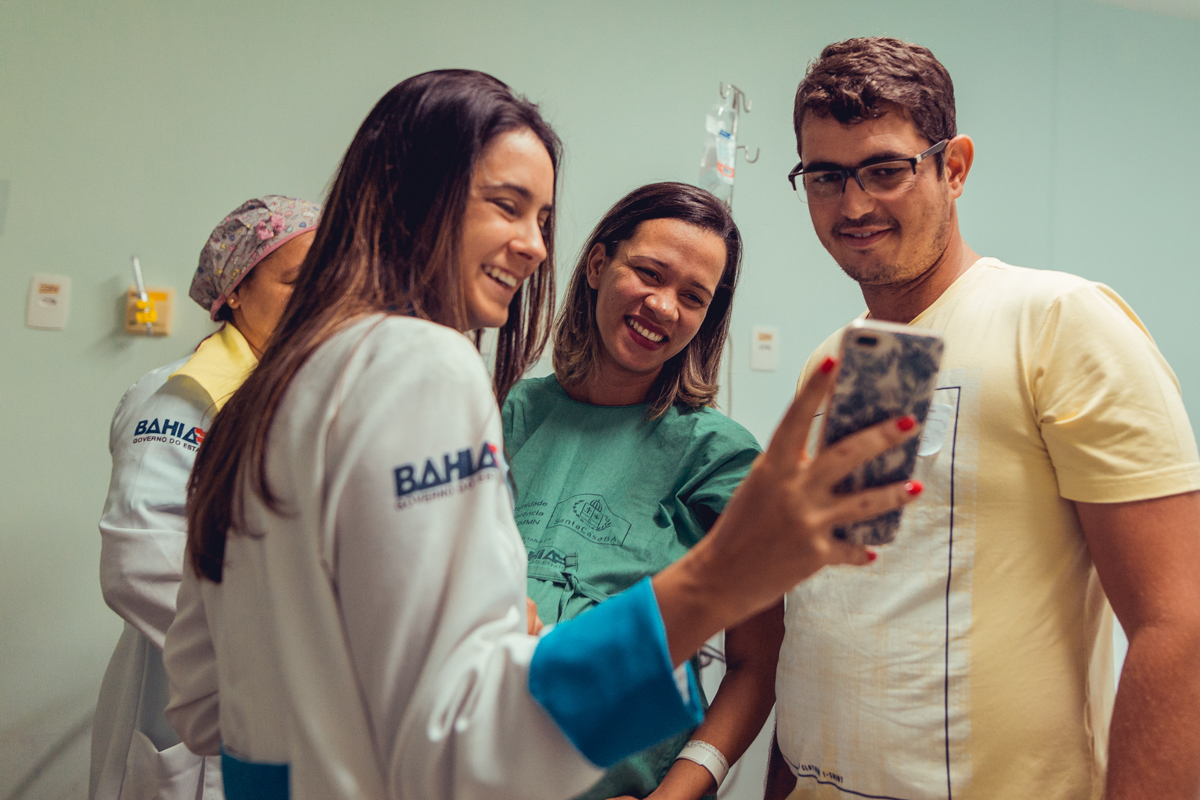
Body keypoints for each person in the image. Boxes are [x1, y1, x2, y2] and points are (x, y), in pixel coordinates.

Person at [160, 69, 923, 800]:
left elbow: (199, 698)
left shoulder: (272, 387)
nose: (532, 246)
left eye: (543, 219)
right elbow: (466, 747)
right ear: (414, 196)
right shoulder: (429, 364)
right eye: (506, 204)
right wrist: (715, 577)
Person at [765, 36, 1200, 800]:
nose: (854, 204)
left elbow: (1180, 623)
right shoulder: (849, 359)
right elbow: (843, 617)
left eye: (886, 170)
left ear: (953, 166)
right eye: (826, 176)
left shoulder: (1056, 322)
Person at [503, 182, 778, 800]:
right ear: (599, 266)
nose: (663, 307)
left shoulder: (717, 457)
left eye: (693, 297)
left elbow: (755, 667)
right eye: (649, 273)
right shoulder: (507, 415)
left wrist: (674, 796)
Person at [90, 196, 319, 800]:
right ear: (236, 292)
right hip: (198, 716)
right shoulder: (185, 395)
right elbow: (140, 562)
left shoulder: (313, 398)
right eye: (296, 279)